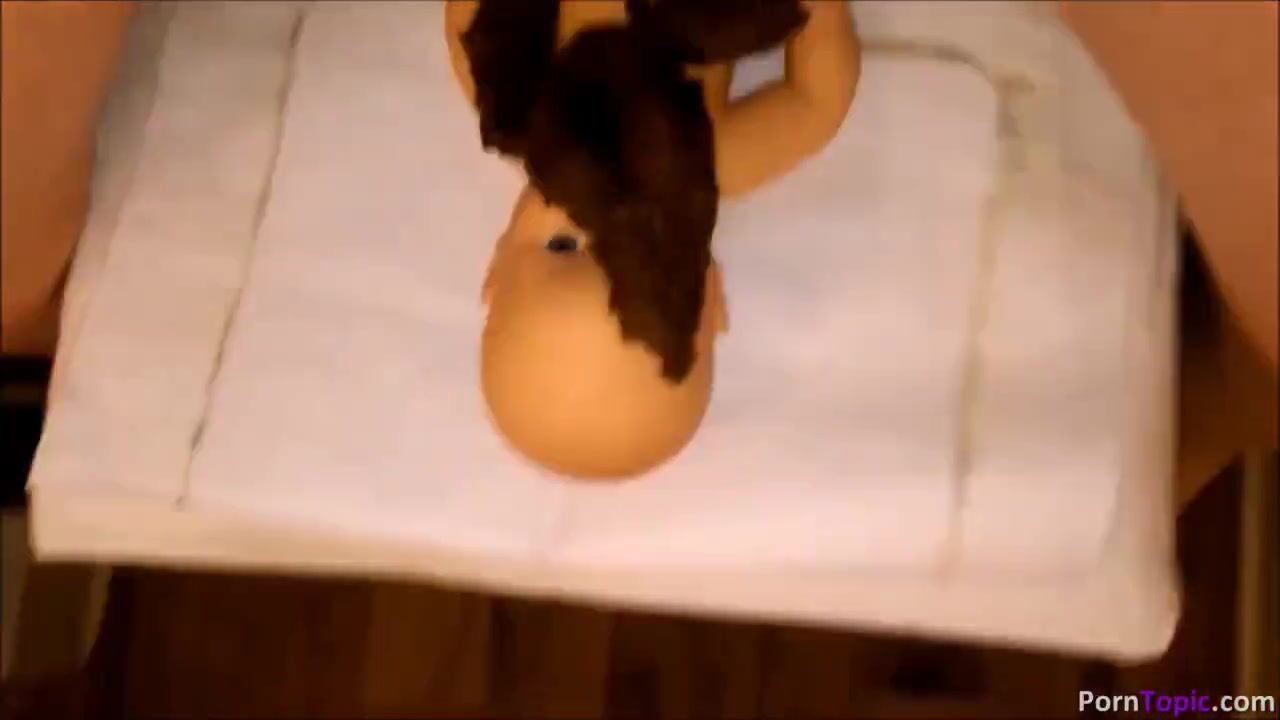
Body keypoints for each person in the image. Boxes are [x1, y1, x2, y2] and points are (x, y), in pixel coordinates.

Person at [2, 1, 1274, 503]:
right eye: (640, 275)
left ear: (492, 266)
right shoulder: (723, 157)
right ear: (705, 300)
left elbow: (461, 26)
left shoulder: (513, 107)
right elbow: (820, 95)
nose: (608, 218)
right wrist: (811, 15)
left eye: (564, 248)